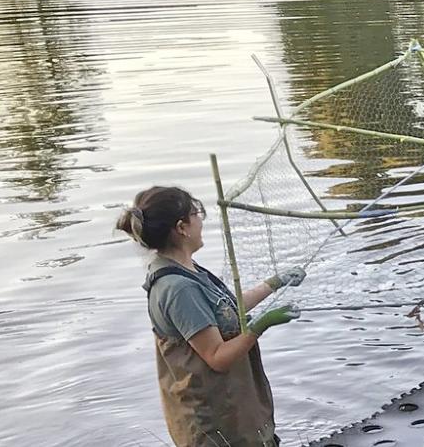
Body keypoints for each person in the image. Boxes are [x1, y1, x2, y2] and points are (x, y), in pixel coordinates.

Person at [116, 186, 306, 446]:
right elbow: (217, 358)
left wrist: (273, 283)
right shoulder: (178, 289)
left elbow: (224, 310)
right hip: (215, 419)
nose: (201, 221)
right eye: (197, 214)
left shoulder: (186, 269)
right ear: (182, 227)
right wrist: (261, 325)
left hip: (233, 406)